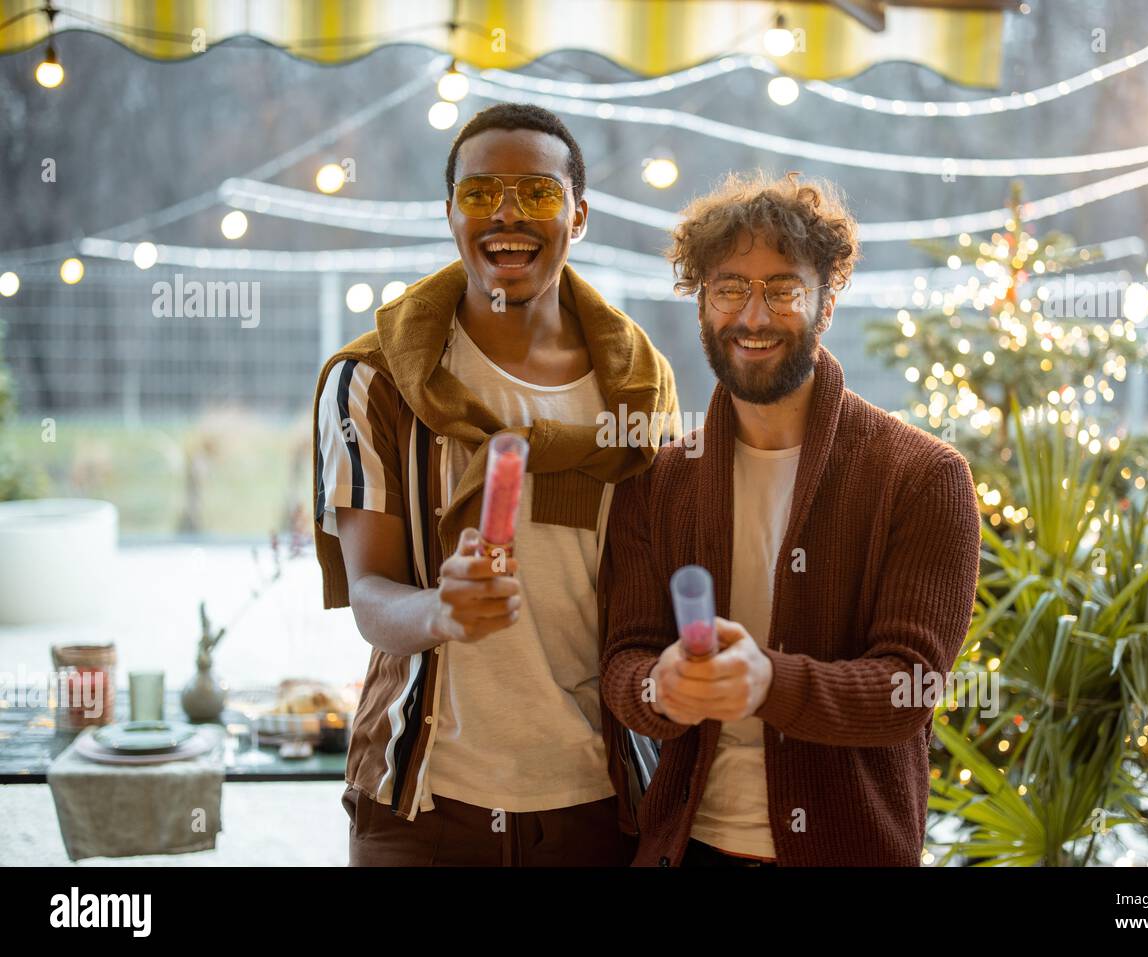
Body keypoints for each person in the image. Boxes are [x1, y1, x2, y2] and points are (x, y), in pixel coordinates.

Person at [312, 103, 678, 866]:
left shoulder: (639, 391)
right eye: (480, 193)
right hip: (421, 803)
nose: (506, 214)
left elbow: (654, 587)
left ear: (578, 216)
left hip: (594, 802)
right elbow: (371, 594)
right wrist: (440, 610)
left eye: (538, 193)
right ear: (449, 212)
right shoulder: (373, 380)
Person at [600, 171, 981, 866]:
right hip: (687, 848)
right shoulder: (656, 482)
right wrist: (662, 687)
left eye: (782, 289)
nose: (753, 316)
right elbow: (623, 660)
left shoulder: (923, 478)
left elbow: (911, 686)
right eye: (729, 289)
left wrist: (769, 681)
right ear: (701, 306)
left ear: (826, 303)